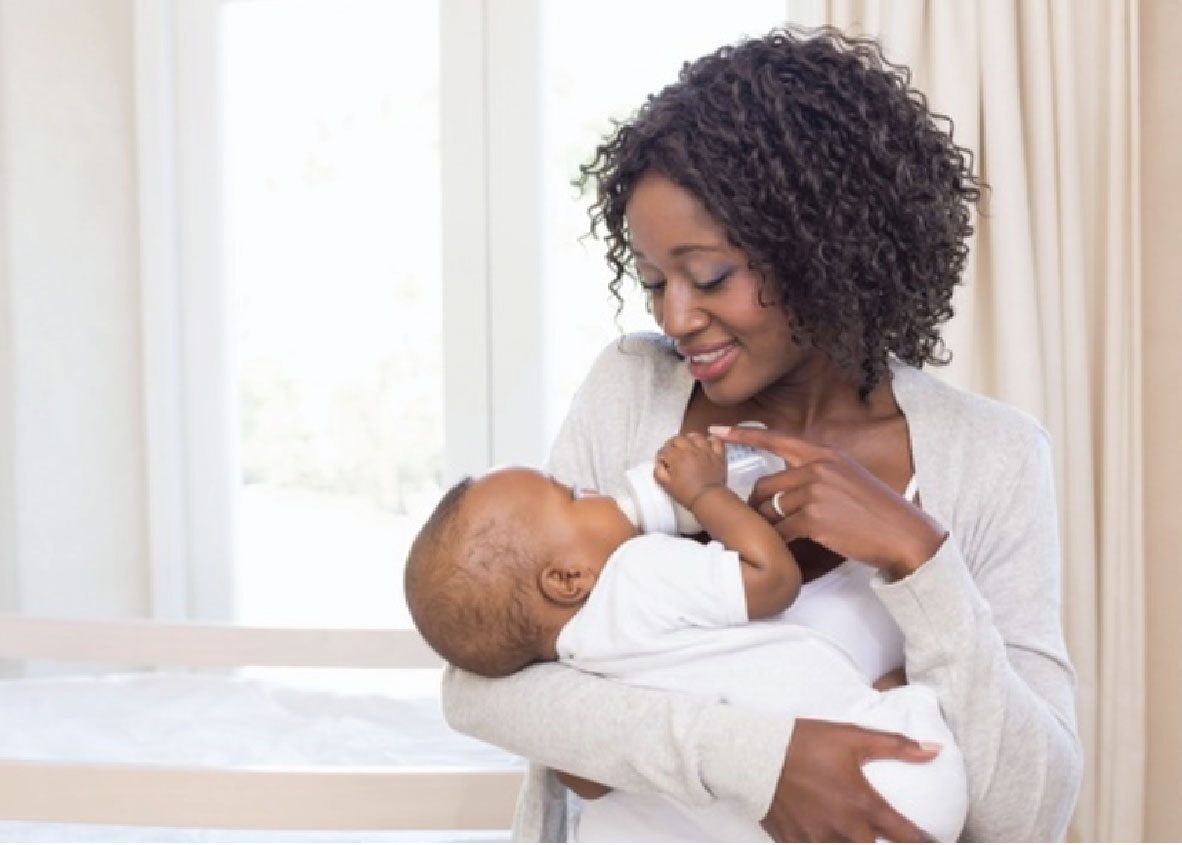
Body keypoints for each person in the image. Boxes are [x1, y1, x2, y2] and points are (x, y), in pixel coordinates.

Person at [441, 24, 1082, 843]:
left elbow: (1032, 812)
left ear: (824, 248)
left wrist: (922, 560)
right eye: (653, 281)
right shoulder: (630, 393)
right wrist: (767, 764)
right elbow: (486, 691)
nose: (676, 317)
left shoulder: (990, 458)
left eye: (710, 276)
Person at [405, 435, 968, 840]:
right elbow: (772, 581)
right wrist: (706, 496)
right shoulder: (635, 574)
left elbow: (591, 782)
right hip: (896, 787)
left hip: (801, 815)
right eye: (574, 495)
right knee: (907, 698)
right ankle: (895, 702)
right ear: (567, 579)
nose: (595, 488)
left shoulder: (572, 658)